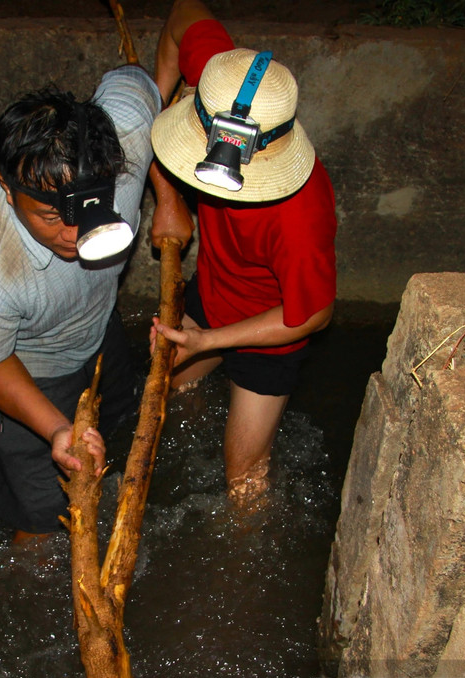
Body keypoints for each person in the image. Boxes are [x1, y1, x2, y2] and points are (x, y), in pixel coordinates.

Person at [0, 64, 173, 543]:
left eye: (90, 208)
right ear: (8, 190)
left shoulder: (128, 132)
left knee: (116, 427)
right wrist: (55, 428)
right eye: (52, 216)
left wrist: (168, 195)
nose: (75, 236)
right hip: (32, 372)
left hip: (99, 329)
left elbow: (144, 83)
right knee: (46, 512)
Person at [149, 0, 338, 505]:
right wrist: (168, 196)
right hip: (213, 289)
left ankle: (239, 558)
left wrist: (209, 341)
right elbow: (183, 12)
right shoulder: (224, 80)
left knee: (243, 481)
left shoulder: (299, 215)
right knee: (167, 400)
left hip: (271, 328)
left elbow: (314, 314)